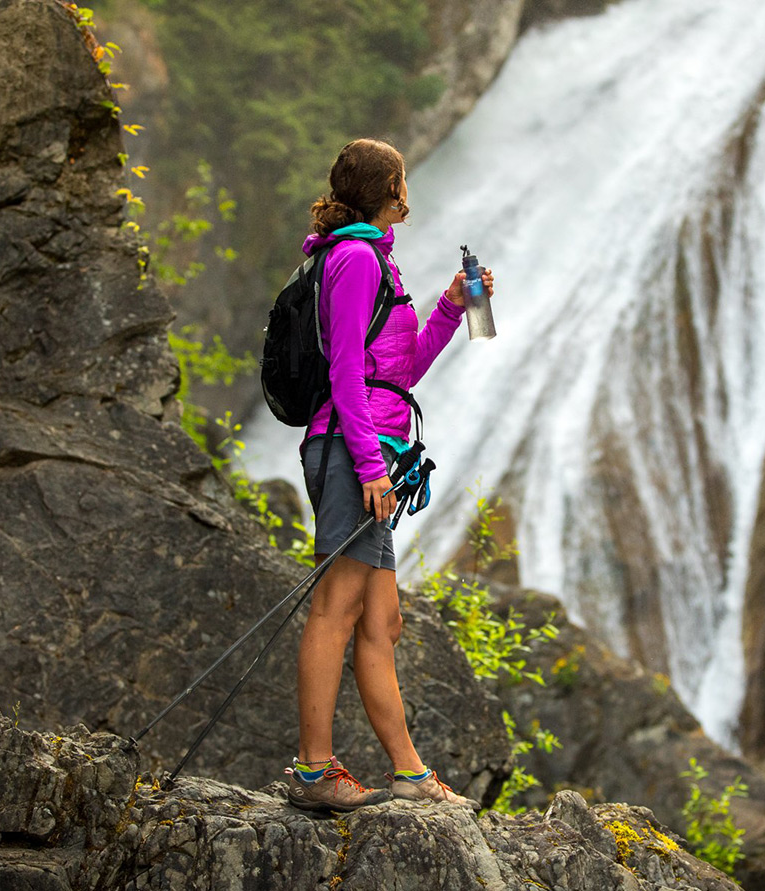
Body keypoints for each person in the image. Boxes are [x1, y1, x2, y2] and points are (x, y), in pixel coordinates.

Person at [286, 138, 492, 813]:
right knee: (336, 609)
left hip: (368, 448)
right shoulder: (353, 260)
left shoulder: (375, 260)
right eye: (402, 176)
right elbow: (345, 369)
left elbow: (394, 374)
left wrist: (451, 306)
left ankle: (409, 772)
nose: (409, 186)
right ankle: (315, 771)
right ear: (391, 189)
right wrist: (372, 465)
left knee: (383, 619)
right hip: (353, 453)